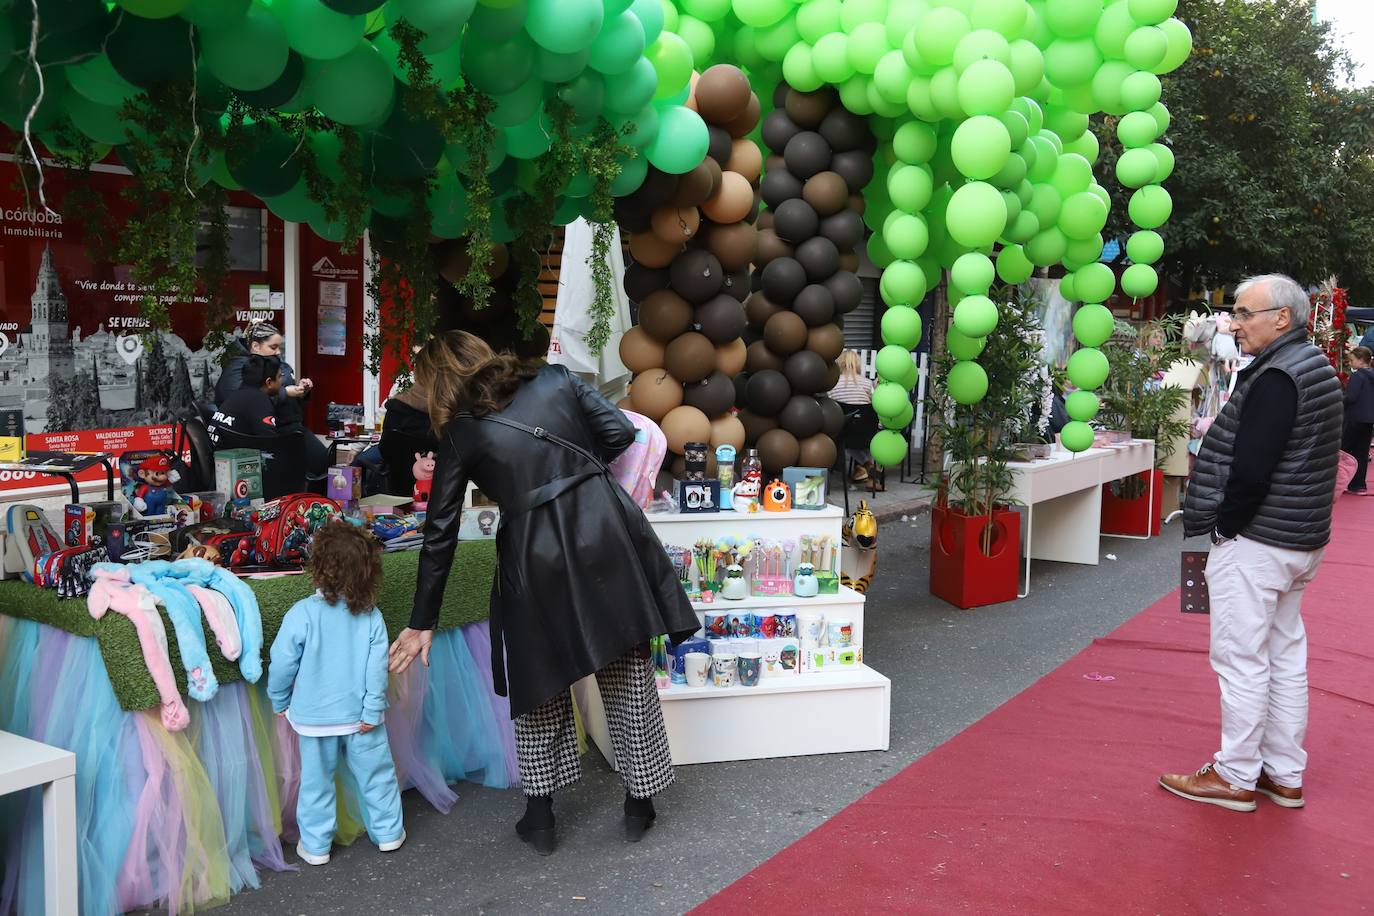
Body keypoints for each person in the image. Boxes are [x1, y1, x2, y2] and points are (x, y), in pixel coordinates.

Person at [387, 331, 699, 856]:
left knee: (541, 675)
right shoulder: (556, 379)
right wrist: (574, 472)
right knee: (624, 664)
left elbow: (439, 532)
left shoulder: (462, 432)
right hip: (604, 529)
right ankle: (640, 802)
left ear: (438, 381)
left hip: (535, 553)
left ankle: (541, 814)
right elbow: (621, 433)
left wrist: (422, 621)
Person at [1166, 274, 1342, 812]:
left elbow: (1252, 468)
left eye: (1244, 313)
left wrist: (1224, 527)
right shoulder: (1311, 367)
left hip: (1262, 539)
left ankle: (1236, 774)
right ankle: (1281, 772)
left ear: (1281, 318)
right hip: (1298, 539)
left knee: (1242, 658)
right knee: (1283, 654)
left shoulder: (1278, 375)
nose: (1234, 323)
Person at [268, 522, 405, 865]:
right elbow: (377, 671)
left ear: (316, 567)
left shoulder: (301, 614)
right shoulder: (371, 617)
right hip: (361, 717)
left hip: (314, 719)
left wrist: (279, 698)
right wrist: (372, 711)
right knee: (377, 776)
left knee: (316, 784)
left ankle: (315, 847)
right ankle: (388, 833)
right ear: (368, 573)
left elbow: (282, 663)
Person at [216, 320, 329, 474]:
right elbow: (243, 400)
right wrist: (285, 392)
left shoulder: (272, 363)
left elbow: (281, 394)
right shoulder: (239, 367)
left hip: (290, 427)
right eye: (273, 347)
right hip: (269, 433)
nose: (277, 352)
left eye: (279, 348)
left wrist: (301, 391)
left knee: (323, 462)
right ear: (255, 346)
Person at [828, 349, 882, 489]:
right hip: (866, 431)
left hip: (842, 432)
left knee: (846, 437)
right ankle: (869, 469)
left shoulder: (833, 384)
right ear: (858, 364)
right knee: (859, 438)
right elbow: (876, 406)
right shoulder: (868, 384)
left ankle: (864, 468)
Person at [379, 381, 440, 496]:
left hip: (399, 483)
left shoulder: (396, 406)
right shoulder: (442, 409)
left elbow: (385, 449)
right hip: (436, 486)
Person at [212, 355, 283, 437]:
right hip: (229, 449)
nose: (281, 381)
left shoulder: (236, 395)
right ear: (269, 382)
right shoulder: (259, 400)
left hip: (215, 447)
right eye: (279, 376)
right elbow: (268, 440)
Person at [1342, 346, 1374, 494]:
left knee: (1343, 450)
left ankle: (1339, 481)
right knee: (1361, 452)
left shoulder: (1358, 376)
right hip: (1368, 419)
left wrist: (1340, 400)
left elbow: (1351, 397)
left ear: (1361, 361)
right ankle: (1358, 484)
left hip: (1354, 417)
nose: (1350, 363)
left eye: (1352, 360)